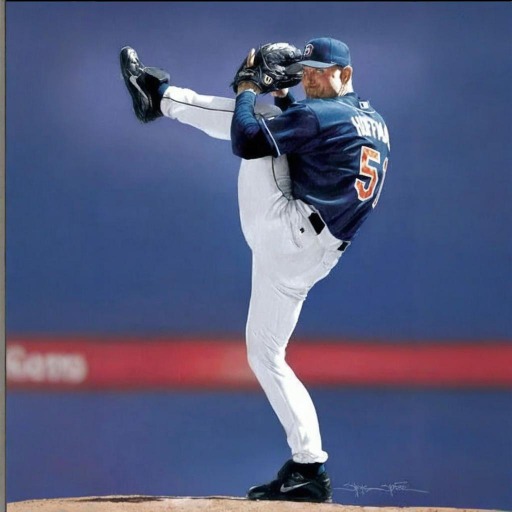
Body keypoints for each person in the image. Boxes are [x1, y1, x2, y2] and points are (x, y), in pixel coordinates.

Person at [119, 36, 390, 504]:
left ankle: (158, 98)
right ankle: (310, 468)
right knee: (265, 354)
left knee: (257, 120)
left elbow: (248, 141)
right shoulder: (373, 120)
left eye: (318, 72)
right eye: (305, 71)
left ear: (345, 74)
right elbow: (315, 138)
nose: (309, 79)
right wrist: (283, 97)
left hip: (286, 231)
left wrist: (249, 87)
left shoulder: (321, 115)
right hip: (314, 254)